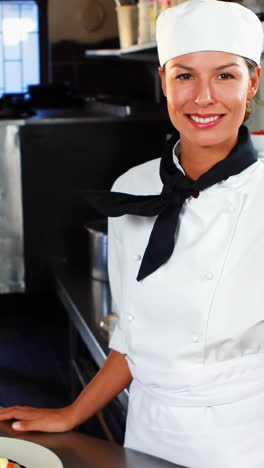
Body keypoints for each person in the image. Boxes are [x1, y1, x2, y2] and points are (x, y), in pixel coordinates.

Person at [0, 0, 264, 466]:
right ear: (163, 82)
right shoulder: (133, 188)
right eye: (184, 75)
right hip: (146, 432)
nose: (203, 97)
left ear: (253, 84)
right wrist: (71, 414)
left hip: (243, 441)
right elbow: (131, 339)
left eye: (225, 75)